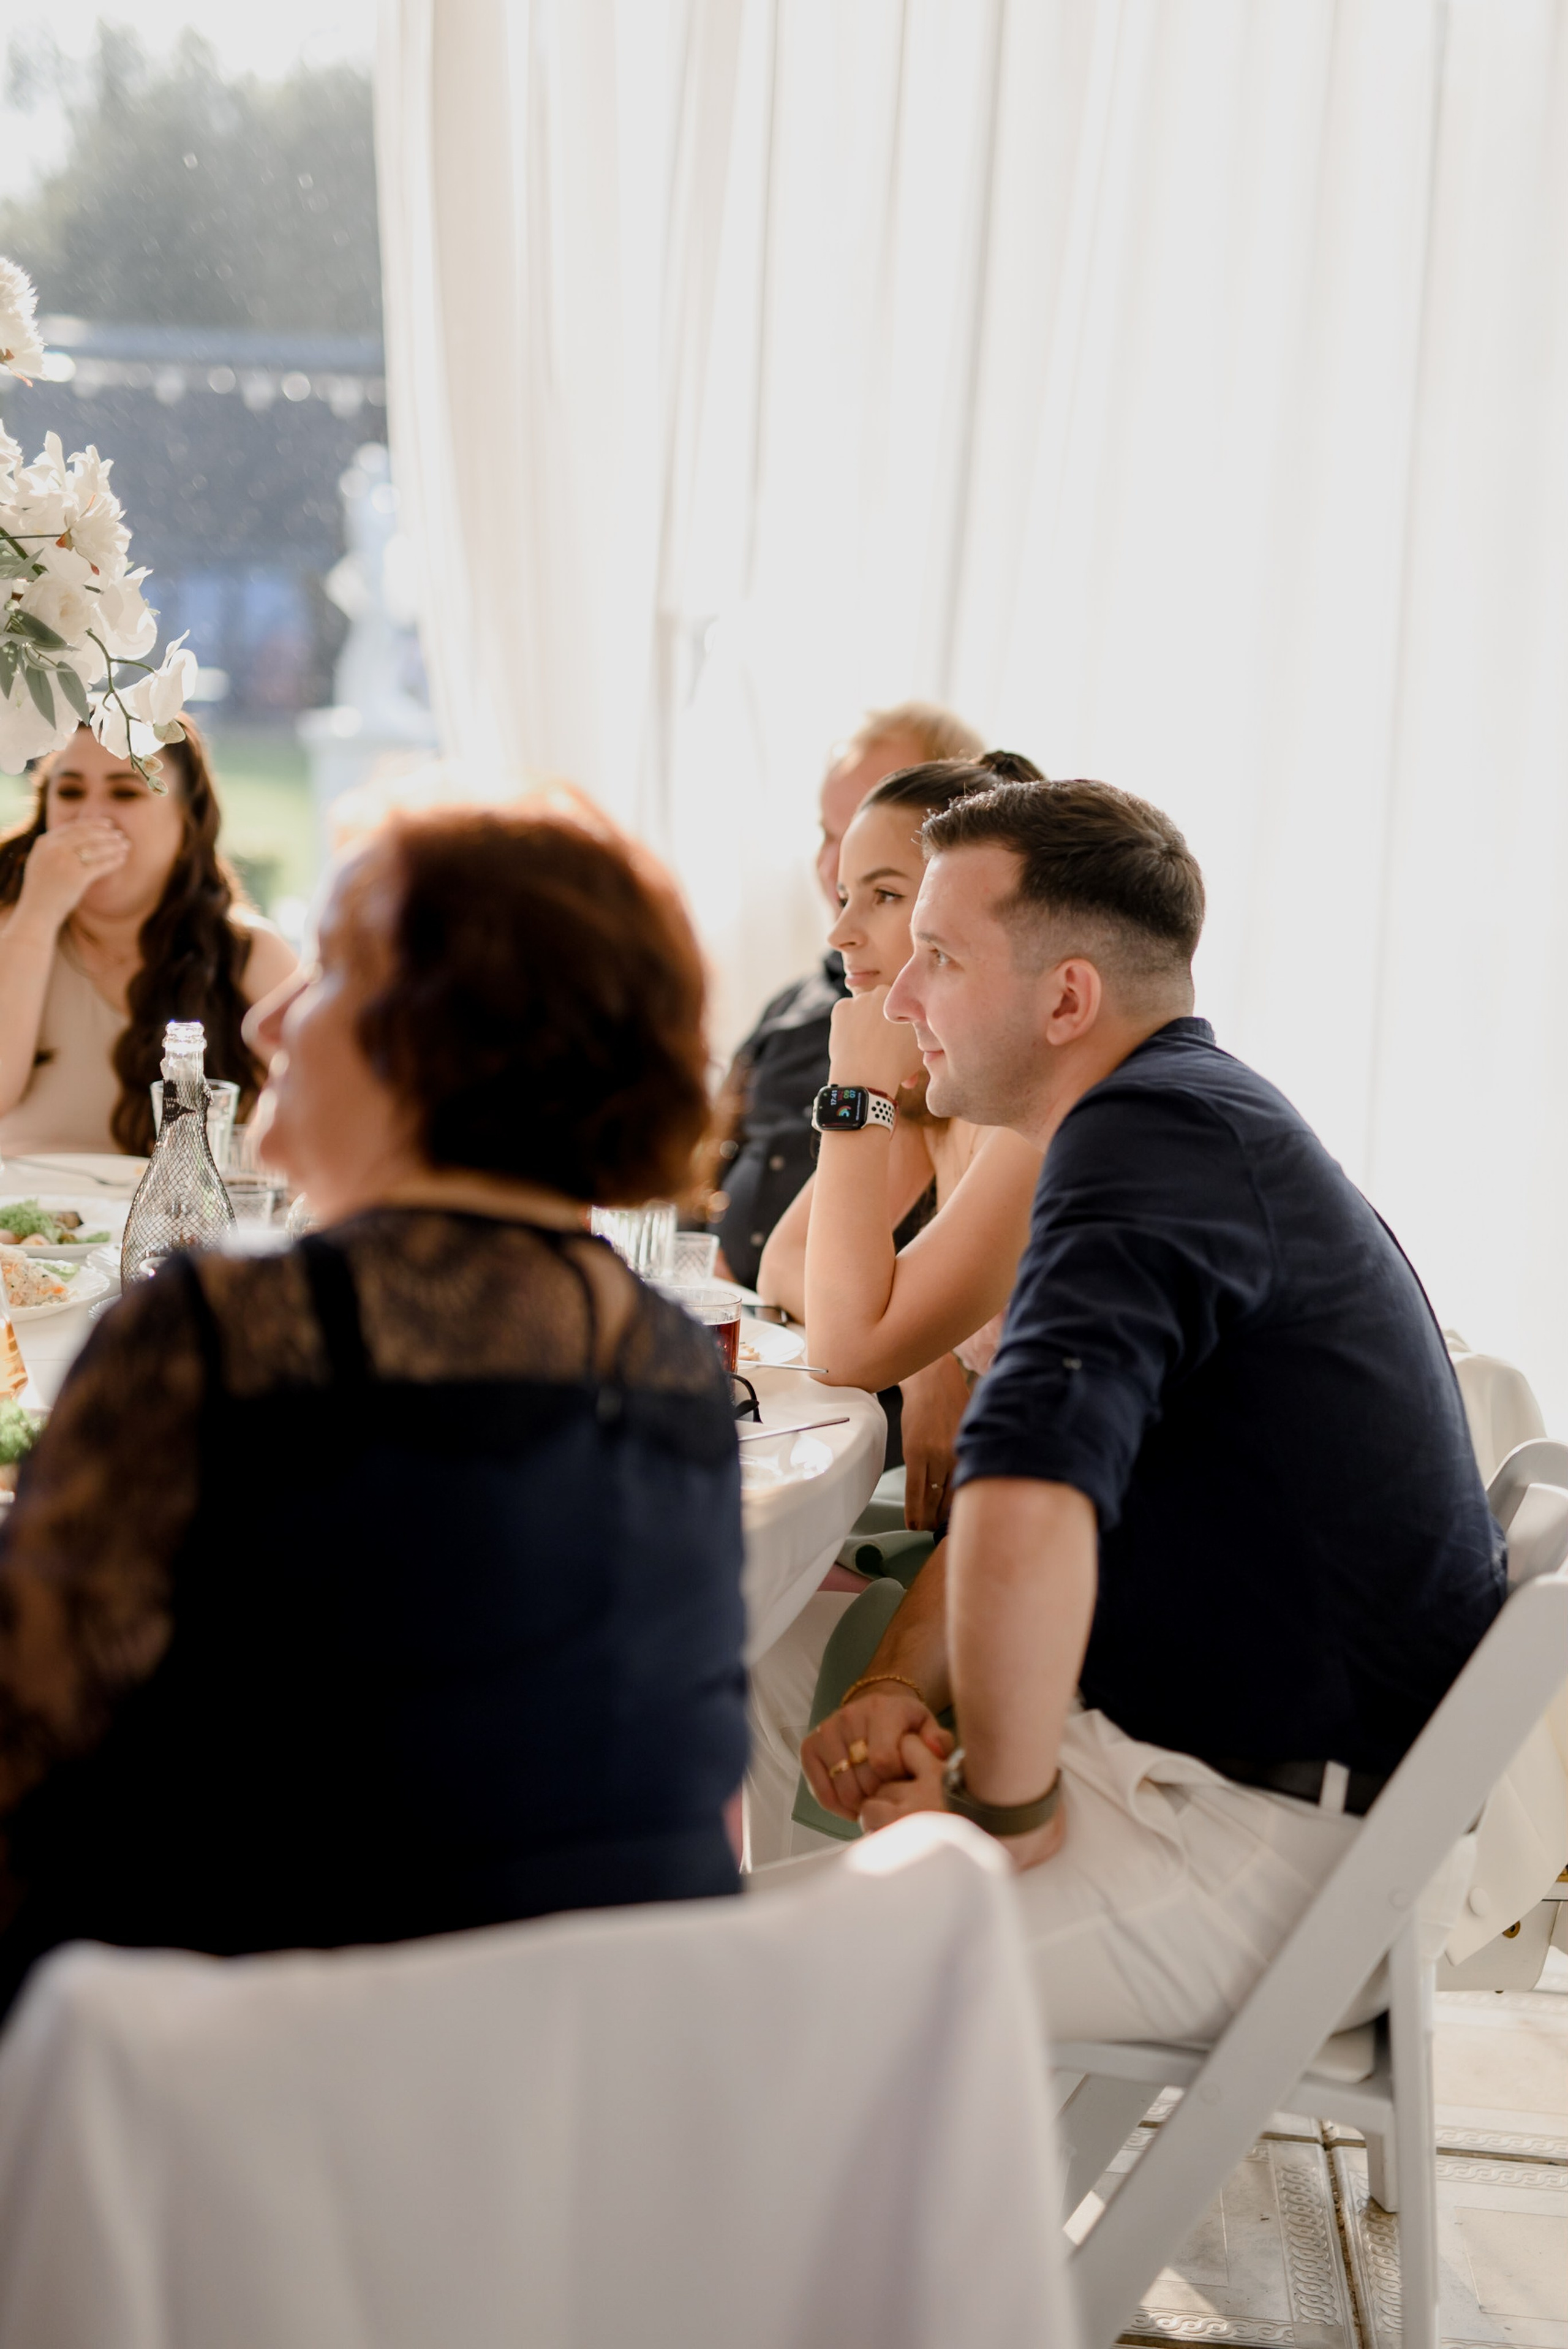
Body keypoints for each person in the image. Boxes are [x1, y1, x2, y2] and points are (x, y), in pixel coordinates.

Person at [753, 778, 1503, 2044]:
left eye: (936, 954)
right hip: (1211, 1781)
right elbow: (1028, 1491)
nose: (894, 1000)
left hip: (1259, 1849)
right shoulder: (1170, 1118)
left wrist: (1001, 1808)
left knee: (710, 1998)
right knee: (755, 1758)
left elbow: (1020, 1500)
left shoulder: (1146, 1146)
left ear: (1065, 999)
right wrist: (896, 1681)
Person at [0, 807, 747, 2019]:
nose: (267, 1018)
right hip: (577, 2107)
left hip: (225, 2100)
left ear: (452, 1034)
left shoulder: (224, 1330)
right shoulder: (665, 1360)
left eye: (335, 964)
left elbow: (22, 1758)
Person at [757, 754, 1045, 1526]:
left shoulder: (1028, 1117)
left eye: (884, 895)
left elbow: (847, 1346)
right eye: (846, 895)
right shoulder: (940, 1103)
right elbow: (785, 1261)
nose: (841, 933)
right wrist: (925, 1366)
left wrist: (856, 1086)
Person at [710, 700, 982, 1290]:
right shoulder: (795, 1007)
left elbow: (847, 1324)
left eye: (884, 890)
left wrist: (857, 1087)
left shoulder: (959, 1074)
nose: (834, 871)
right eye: (829, 835)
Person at [0, 720, 295, 1157]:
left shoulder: (248, 953)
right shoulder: (14, 929)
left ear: (186, 821)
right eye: (70, 793)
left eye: (125, 793)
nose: (90, 816)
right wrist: (37, 914)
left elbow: (346, 1114)